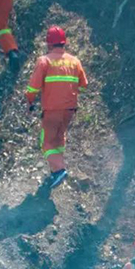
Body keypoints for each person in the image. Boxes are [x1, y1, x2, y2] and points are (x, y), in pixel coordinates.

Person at [25, 25, 88, 188]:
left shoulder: (44, 61)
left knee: (46, 142)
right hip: (70, 110)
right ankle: (55, 172)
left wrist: (30, 101)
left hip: (52, 109)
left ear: (49, 44)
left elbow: (33, 87)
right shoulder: (75, 61)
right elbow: (83, 85)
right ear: (64, 43)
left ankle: (59, 170)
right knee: (59, 138)